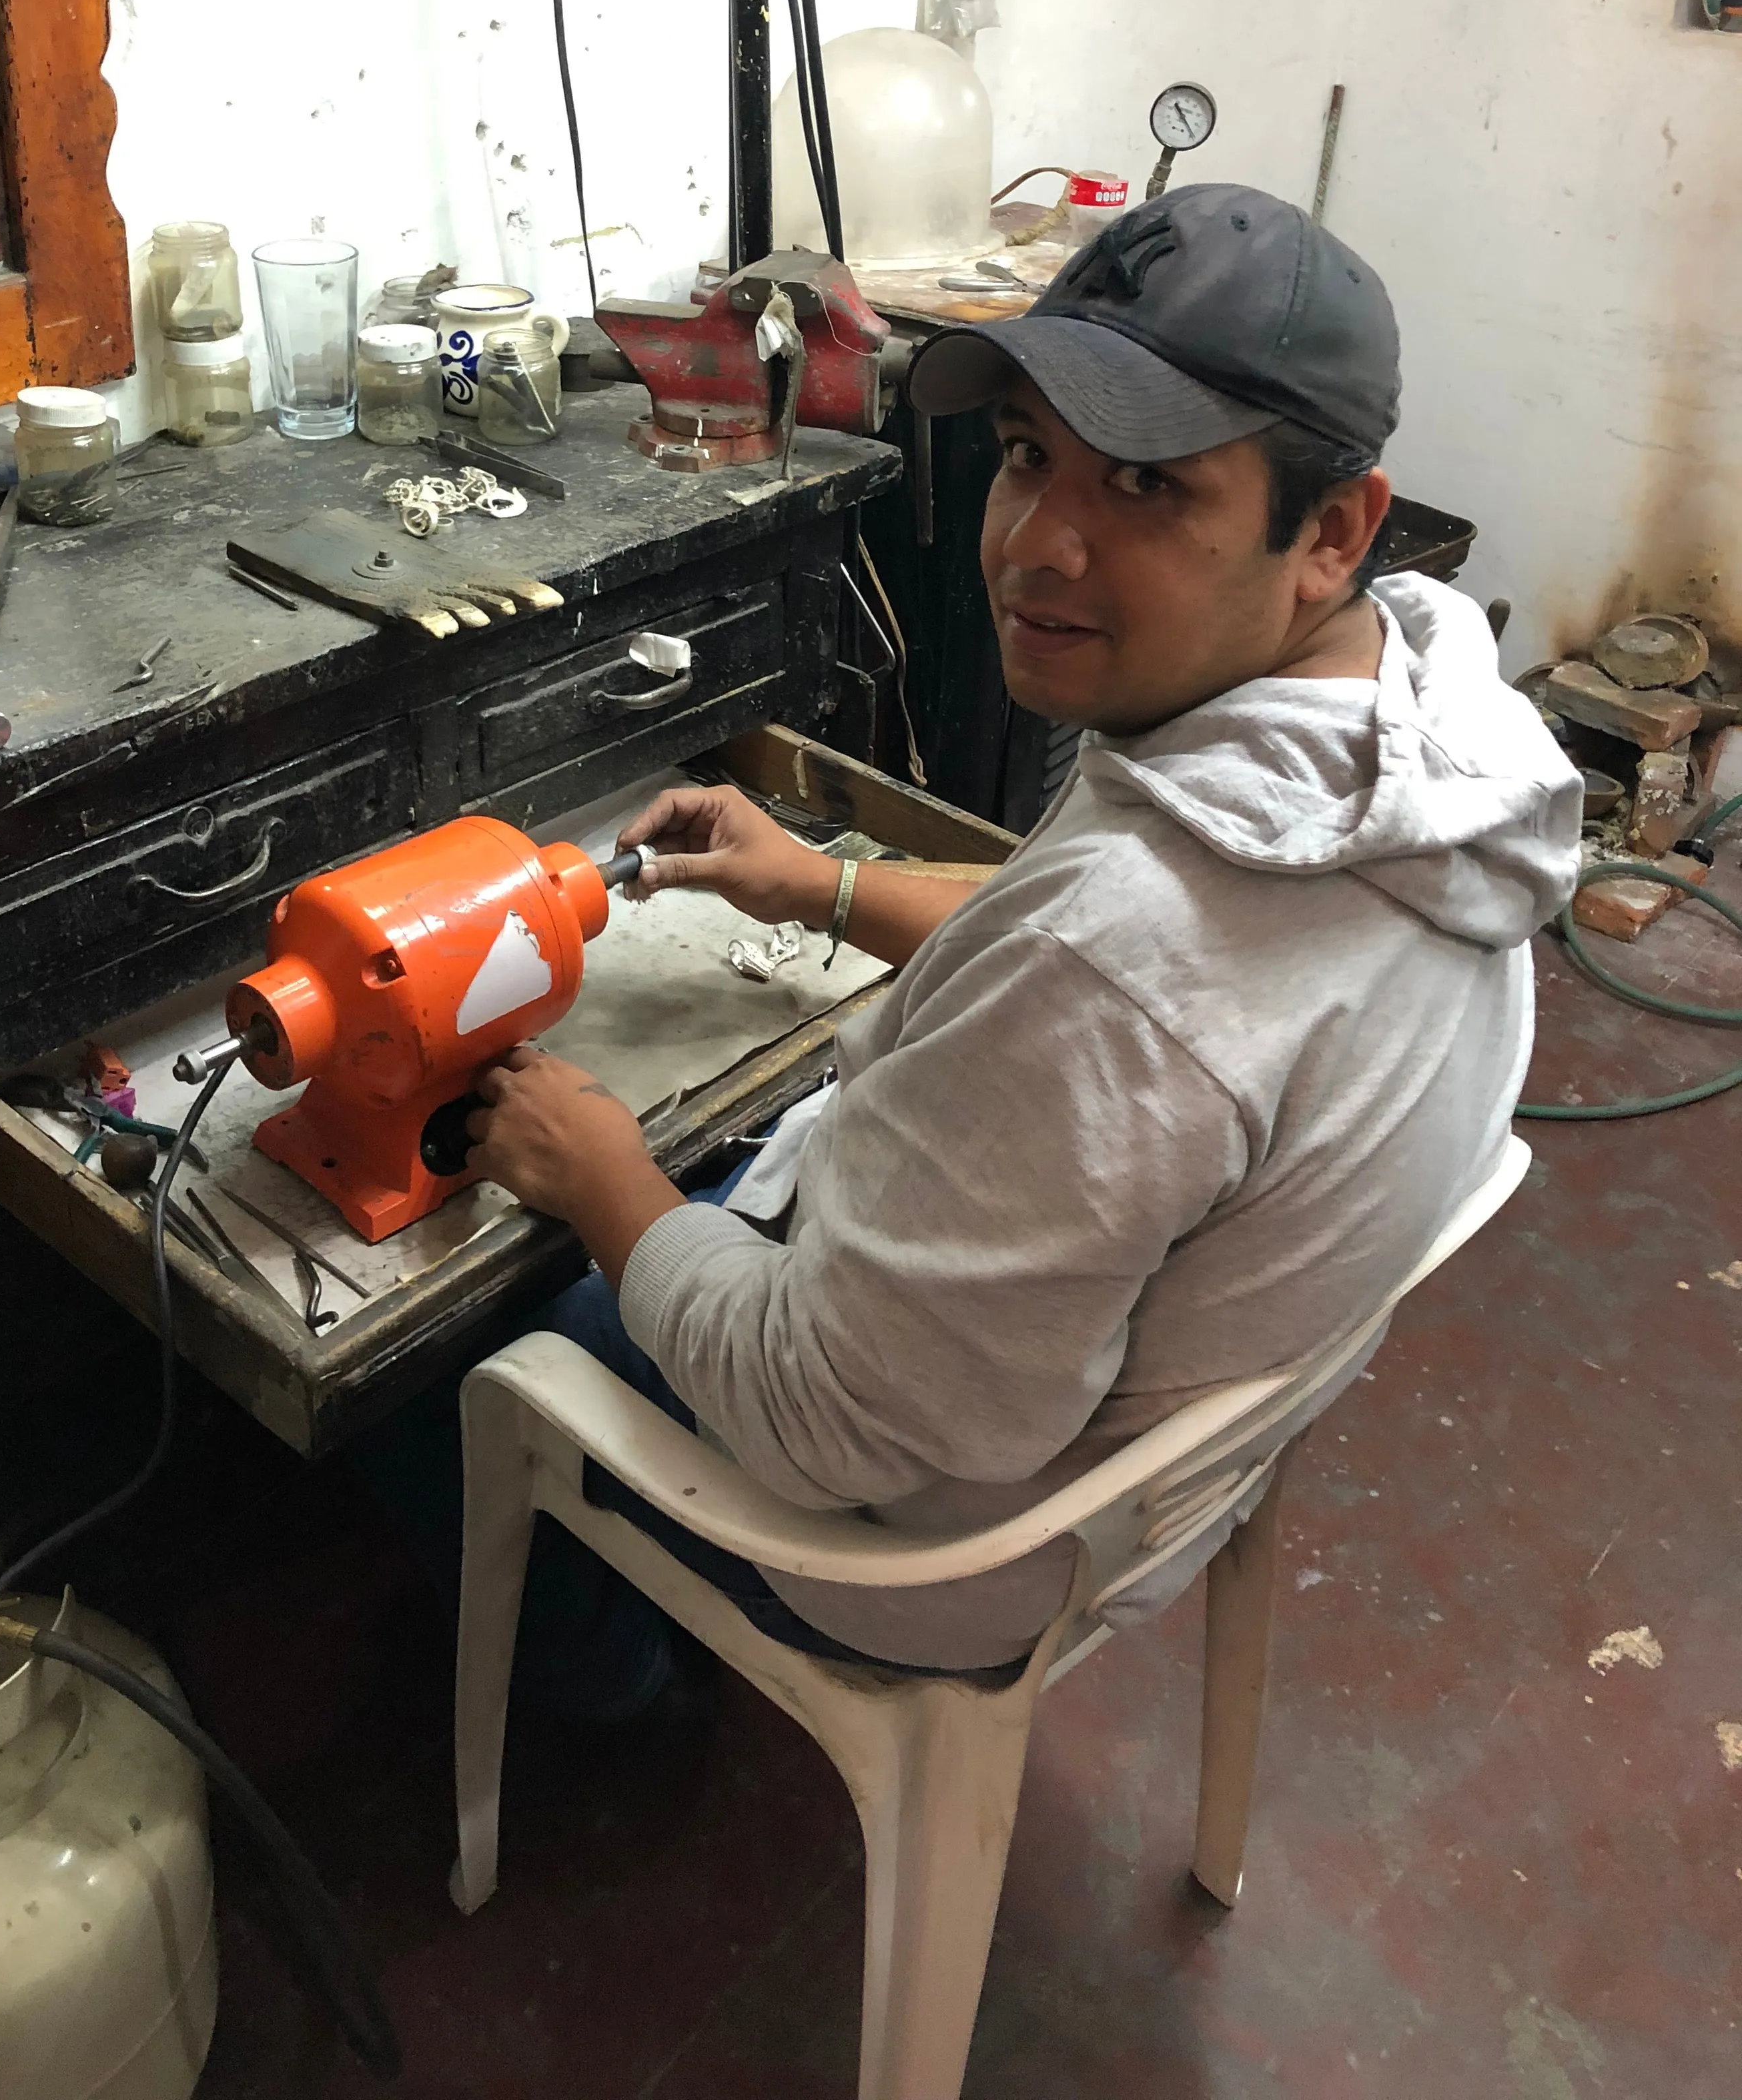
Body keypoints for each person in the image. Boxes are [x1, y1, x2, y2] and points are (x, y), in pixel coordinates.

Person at [373, 187, 1581, 1712]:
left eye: (1145, 486)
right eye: (1026, 459)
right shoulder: (1425, 724)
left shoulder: (1128, 965)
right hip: (1155, 1440)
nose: (1039, 548)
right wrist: (813, 883)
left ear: (1331, 529)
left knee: (448, 1376)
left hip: (935, 1546)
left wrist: (600, 1171)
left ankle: (610, 1683)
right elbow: (1081, 945)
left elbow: (822, 1419)